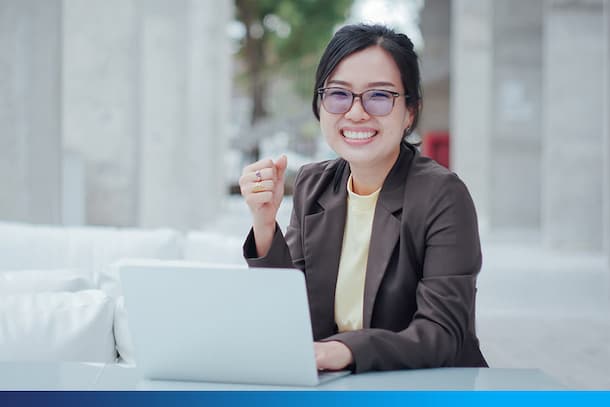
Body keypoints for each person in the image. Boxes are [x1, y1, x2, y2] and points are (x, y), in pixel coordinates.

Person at [239, 24, 487, 373]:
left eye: (379, 96)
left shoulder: (442, 196)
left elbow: (441, 333)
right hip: (337, 385)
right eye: (339, 94)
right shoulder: (314, 185)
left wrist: (343, 351)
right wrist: (265, 222)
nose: (356, 112)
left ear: (410, 113)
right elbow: (293, 317)